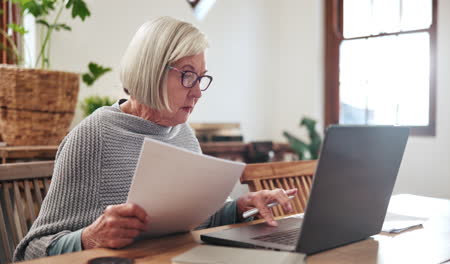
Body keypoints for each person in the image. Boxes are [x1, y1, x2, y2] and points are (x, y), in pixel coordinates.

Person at [13, 16, 296, 261]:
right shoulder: (93, 137)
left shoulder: (183, 133)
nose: (197, 92)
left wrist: (239, 208)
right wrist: (89, 238)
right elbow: (30, 251)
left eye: (201, 78)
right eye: (187, 76)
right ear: (151, 71)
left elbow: (192, 223)